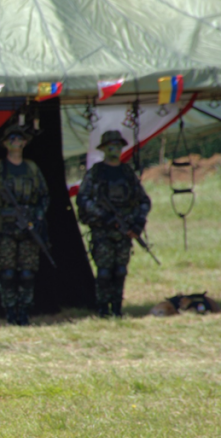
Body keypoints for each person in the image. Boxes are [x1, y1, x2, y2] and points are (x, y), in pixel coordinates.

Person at [0, 125, 50, 326]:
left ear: (25, 142)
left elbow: (44, 197)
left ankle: (24, 312)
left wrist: (38, 219)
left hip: (28, 228)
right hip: (4, 229)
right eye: (12, 139)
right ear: (5, 144)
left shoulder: (32, 168)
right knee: (7, 274)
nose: (16, 142)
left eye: (19, 138)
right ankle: (10, 312)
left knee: (27, 273)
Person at [75, 130, 152, 317]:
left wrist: (137, 224)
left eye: (118, 146)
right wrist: (104, 217)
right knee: (104, 271)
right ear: (104, 149)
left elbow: (143, 200)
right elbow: (83, 199)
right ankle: (103, 308)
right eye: (111, 146)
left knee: (120, 271)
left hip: (124, 232)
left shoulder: (127, 173)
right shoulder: (96, 173)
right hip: (102, 230)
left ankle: (117, 307)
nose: (115, 149)